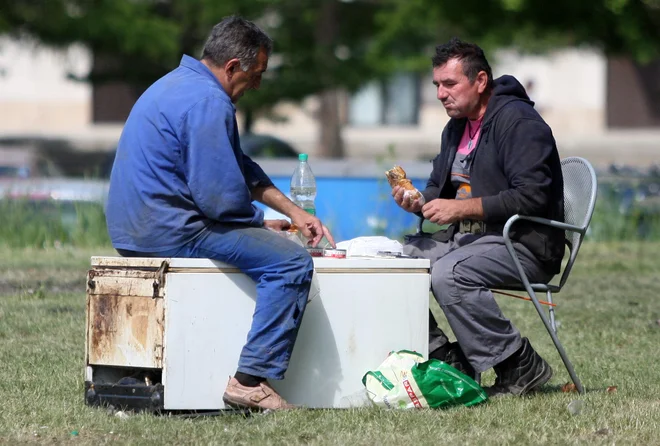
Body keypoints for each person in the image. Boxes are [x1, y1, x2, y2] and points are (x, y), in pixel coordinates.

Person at [105, 16, 335, 410]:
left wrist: (291, 211)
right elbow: (221, 201)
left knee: (272, 242)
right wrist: (265, 227)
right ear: (232, 67)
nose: (258, 84)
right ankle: (250, 382)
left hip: (133, 231)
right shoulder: (210, 101)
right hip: (172, 230)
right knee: (290, 262)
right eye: (256, 74)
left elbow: (235, 166)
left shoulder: (175, 84)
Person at [392, 38, 564, 397]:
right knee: (392, 265)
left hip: (525, 244)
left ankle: (517, 363)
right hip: (470, 240)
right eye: (437, 85)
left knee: (449, 274)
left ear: (481, 81)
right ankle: (446, 357)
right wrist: (418, 201)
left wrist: (462, 208)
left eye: (450, 84)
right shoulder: (455, 127)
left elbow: (533, 195)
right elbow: (439, 192)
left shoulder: (519, 123)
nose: (441, 93)